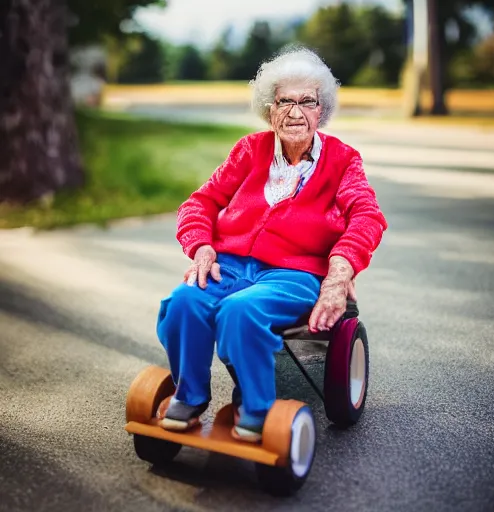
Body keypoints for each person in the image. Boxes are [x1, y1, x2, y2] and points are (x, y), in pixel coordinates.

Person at [156, 47, 387, 443]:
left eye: (307, 101)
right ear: (269, 108)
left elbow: (367, 217)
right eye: (284, 101)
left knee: (240, 311)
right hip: (227, 264)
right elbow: (201, 202)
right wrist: (201, 246)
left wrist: (339, 272)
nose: (295, 112)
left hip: (294, 274)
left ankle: (256, 405)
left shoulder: (344, 161)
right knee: (183, 303)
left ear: (321, 110)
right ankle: (190, 395)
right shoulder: (250, 150)